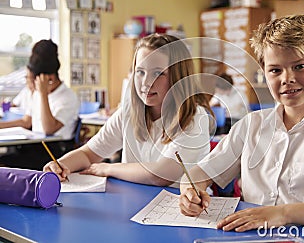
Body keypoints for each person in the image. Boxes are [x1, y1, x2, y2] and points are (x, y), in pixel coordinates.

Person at [179, 15, 304, 232]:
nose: (287, 78)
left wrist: (284, 213)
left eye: (300, 66)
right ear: (264, 72)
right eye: (275, 70)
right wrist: (190, 191)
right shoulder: (251, 126)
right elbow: (199, 174)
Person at [44, 34, 213, 186]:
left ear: (179, 77)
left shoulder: (195, 118)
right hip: (133, 204)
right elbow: (89, 154)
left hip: (179, 211)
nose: (146, 82)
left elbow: (161, 175)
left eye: (158, 73)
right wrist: (61, 165)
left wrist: (108, 169)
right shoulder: (129, 111)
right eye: (140, 72)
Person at [0, 39, 80, 170]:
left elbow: (49, 129)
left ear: (50, 78)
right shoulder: (38, 93)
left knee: (4, 164)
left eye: (35, 79)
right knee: (7, 157)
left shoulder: (68, 97)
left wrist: (43, 94)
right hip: (33, 146)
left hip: (54, 152)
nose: (33, 84)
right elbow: (26, 121)